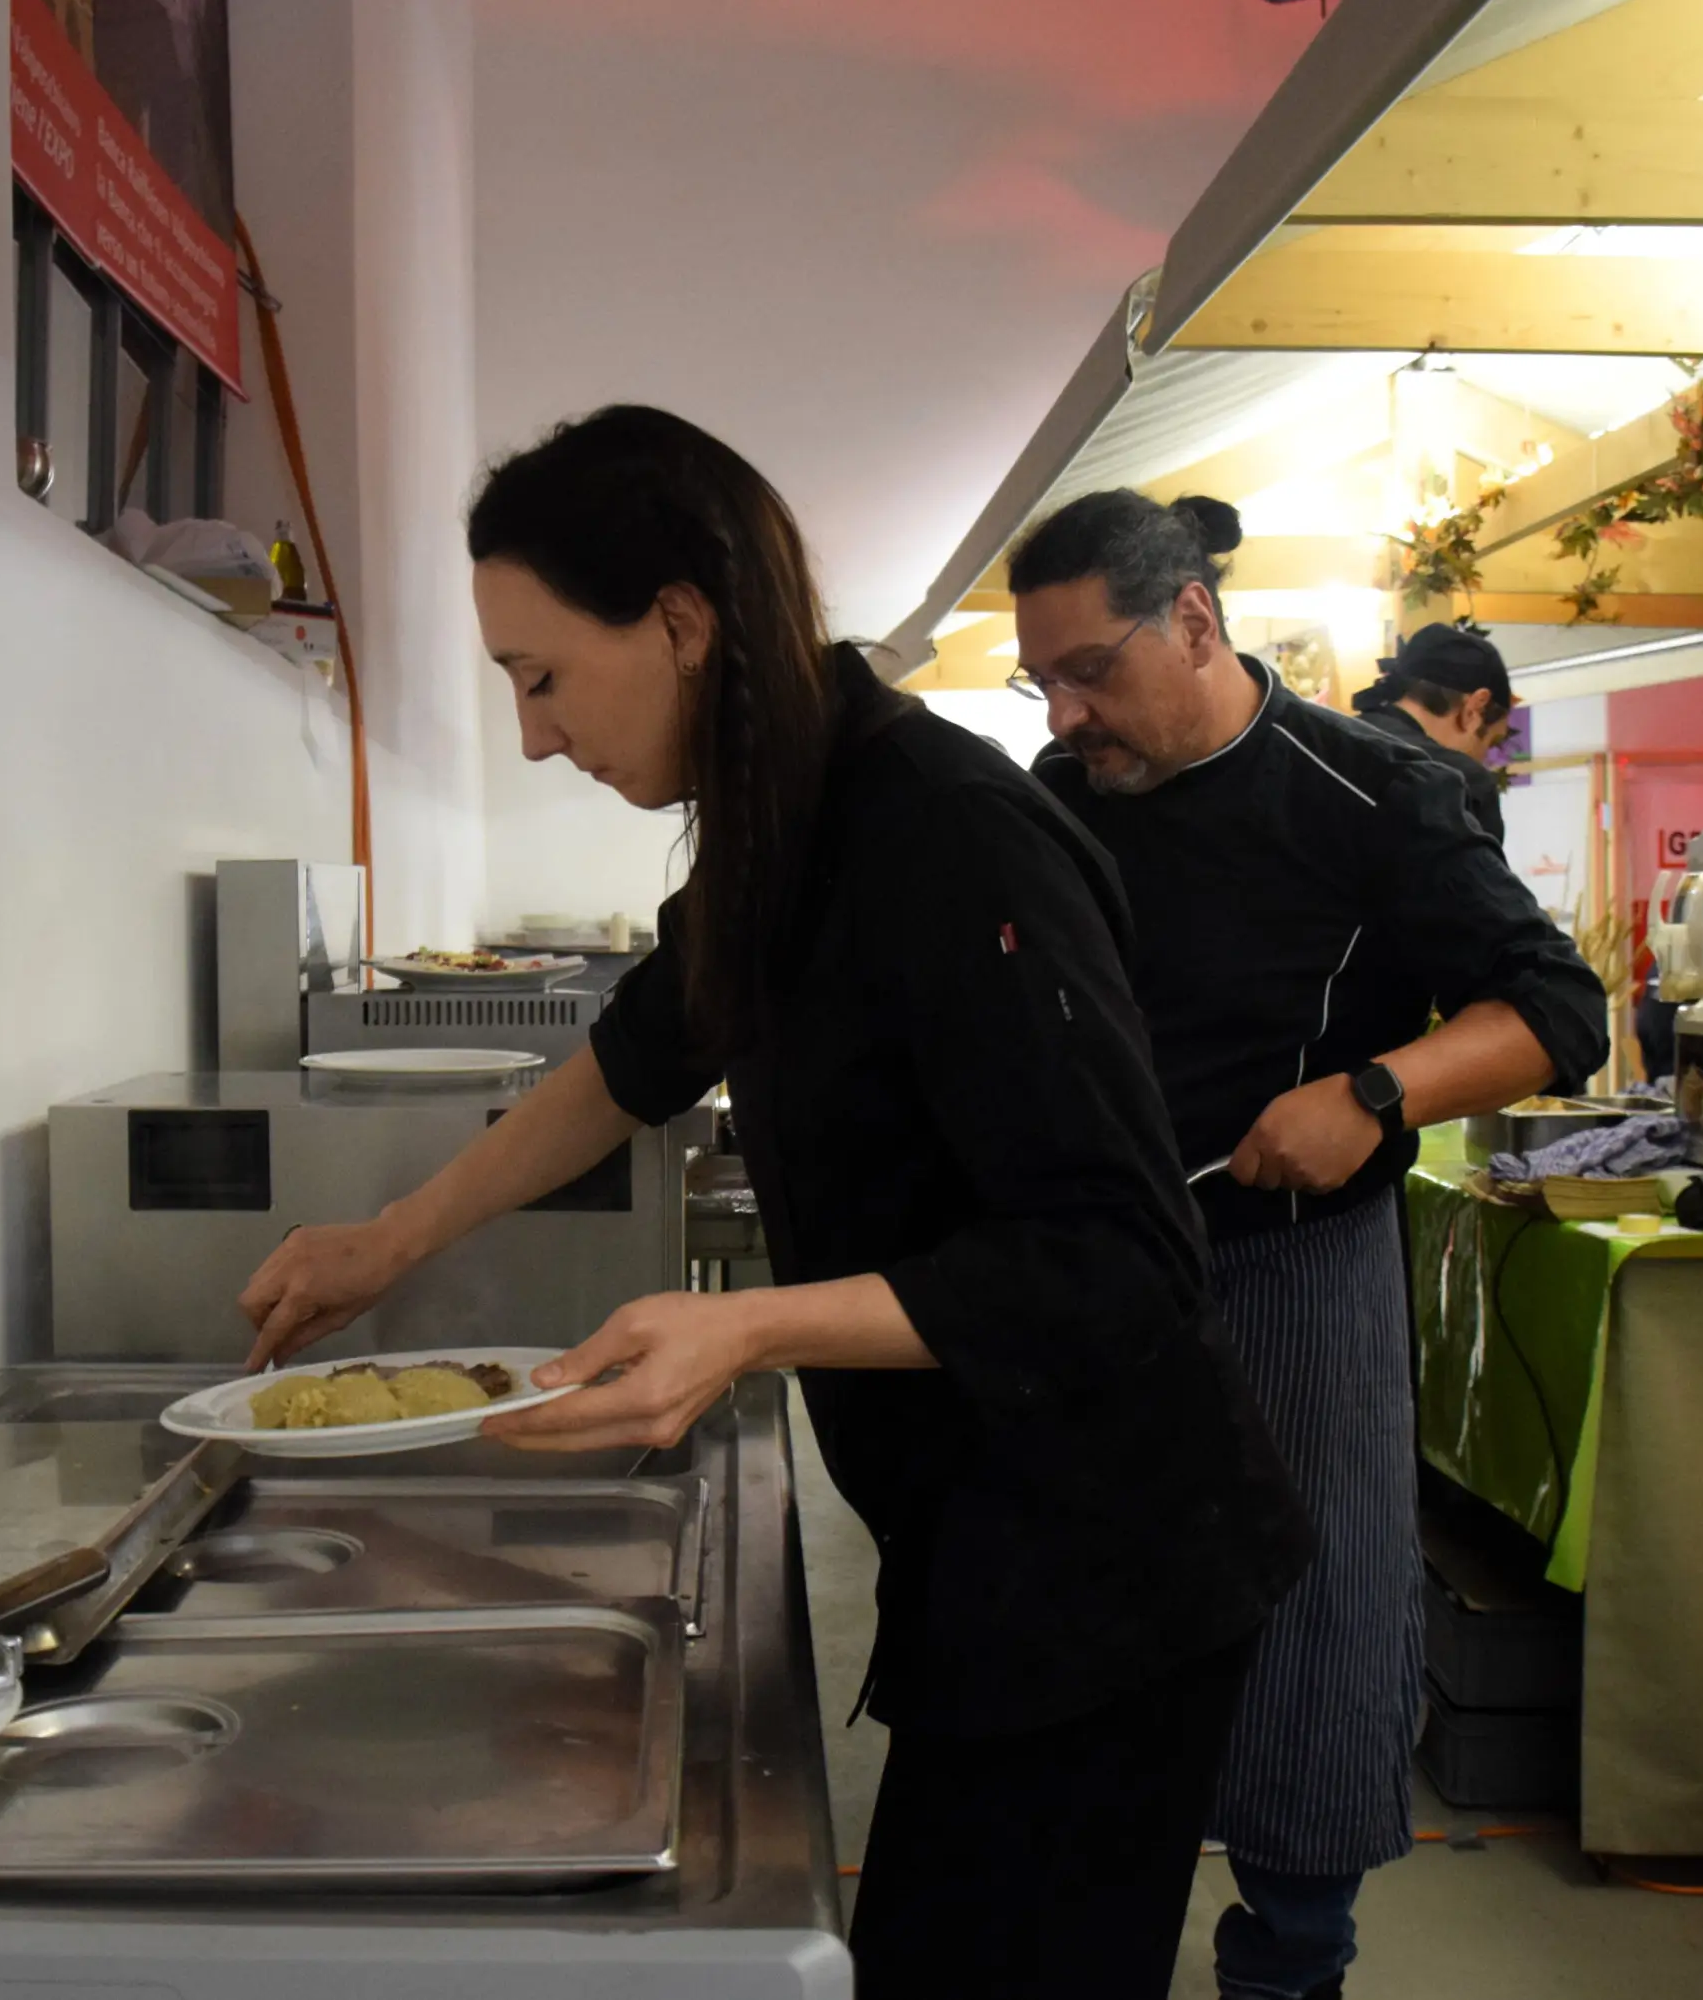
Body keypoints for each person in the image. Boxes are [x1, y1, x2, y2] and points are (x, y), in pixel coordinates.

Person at [236, 407, 1310, 1998]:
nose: (533, 734)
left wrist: (742, 1326)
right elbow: (636, 1052)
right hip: (980, 1544)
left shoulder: (943, 829)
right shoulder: (778, 824)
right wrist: (389, 1240)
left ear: (680, 621)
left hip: (1108, 1569)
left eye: (540, 676)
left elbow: (1114, 1262)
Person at [1007, 490, 1608, 2000]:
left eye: (1091, 671)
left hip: (1297, 1263)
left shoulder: (1377, 793)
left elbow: (1559, 1012)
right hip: (1097, 1266)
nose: (1066, 712)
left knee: (1316, 1619)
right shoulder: (1058, 795)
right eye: (1044, 683)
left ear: (1195, 622)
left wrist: (1373, 1089)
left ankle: (1289, 1960)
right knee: (1089, 1615)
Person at [1350, 622, 1516, 840]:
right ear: (1475, 708)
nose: (1484, 759)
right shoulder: (1459, 781)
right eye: (1492, 742)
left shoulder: (1331, 742)